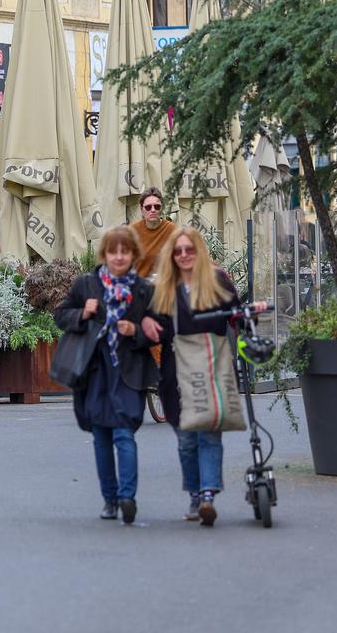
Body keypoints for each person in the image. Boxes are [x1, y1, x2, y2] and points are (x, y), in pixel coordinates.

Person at [55, 225, 158, 525]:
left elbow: (158, 329)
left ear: (133, 254)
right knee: (101, 437)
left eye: (125, 251)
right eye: (114, 251)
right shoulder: (86, 285)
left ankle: (127, 498)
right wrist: (82, 313)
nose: (119, 257)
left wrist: (136, 330)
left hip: (129, 373)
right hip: (95, 371)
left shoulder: (143, 290)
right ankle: (110, 500)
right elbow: (60, 315)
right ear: (105, 254)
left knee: (124, 435)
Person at [145, 225, 236, 527]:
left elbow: (236, 316)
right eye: (179, 251)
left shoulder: (218, 281)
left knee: (208, 435)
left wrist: (249, 322)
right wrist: (142, 328)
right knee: (186, 441)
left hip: (211, 368)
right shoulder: (165, 290)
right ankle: (195, 494)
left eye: (189, 249)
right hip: (175, 373)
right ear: (172, 256)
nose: (184, 255)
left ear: (199, 252)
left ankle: (207, 496)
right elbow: (154, 327)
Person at [128, 187, 174, 278]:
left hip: (165, 285)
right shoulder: (132, 232)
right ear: (141, 209)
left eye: (157, 206)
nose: (153, 210)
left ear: (162, 208)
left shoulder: (173, 231)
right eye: (148, 207)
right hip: (138, 285)